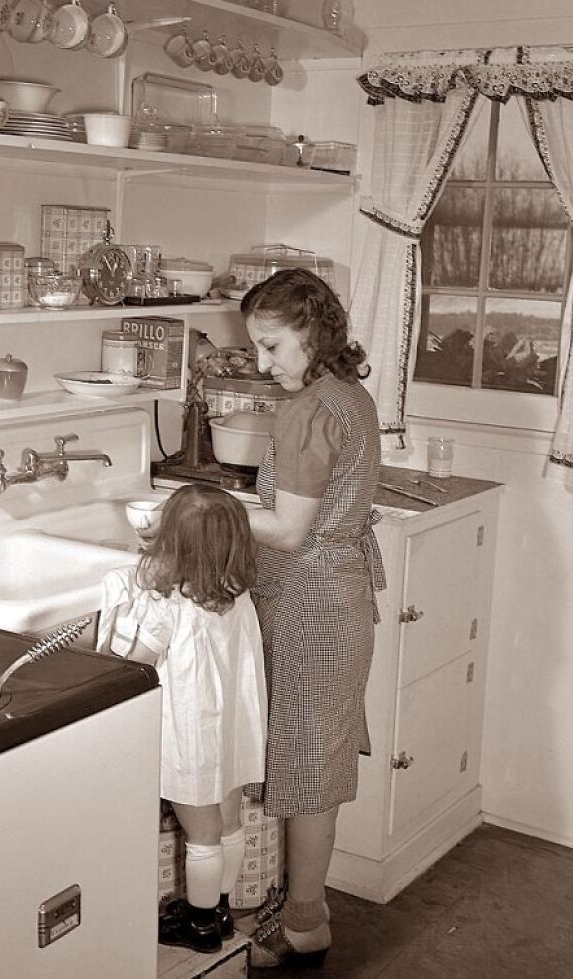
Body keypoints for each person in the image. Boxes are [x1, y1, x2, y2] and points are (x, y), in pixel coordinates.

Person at [238, 268, 386, 968]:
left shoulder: (306, 409)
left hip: (310, 601)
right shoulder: (347, 393)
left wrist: (215, 508)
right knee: (313, 765)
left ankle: (301, 927)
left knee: (306, 771)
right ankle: (305, 913)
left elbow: (290, 530)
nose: (264, 364)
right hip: (340, 593)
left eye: (271, 346)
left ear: (310, 331)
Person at [96, 483, 267, 955]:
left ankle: (199, 924)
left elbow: (136, 666)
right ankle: (221, 909)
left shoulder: (166, 604)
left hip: (192, 736)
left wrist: (118, 625)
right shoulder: (236, 593)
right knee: (229, 822)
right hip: (232, 731)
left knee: (202, 836)